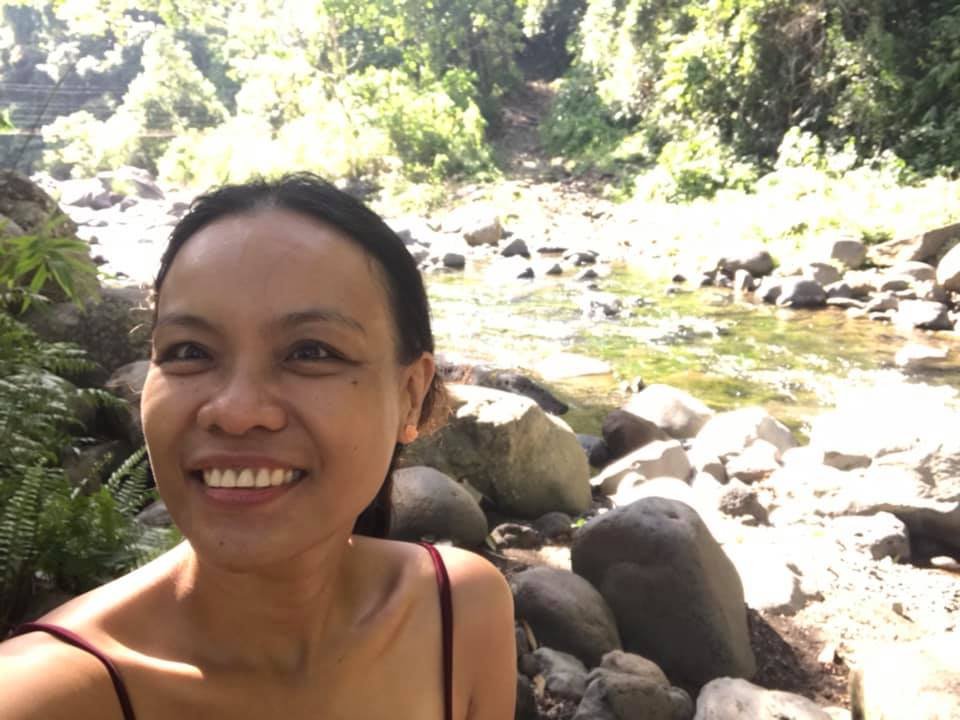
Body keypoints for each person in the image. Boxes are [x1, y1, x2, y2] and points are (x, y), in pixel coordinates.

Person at [0, 173, 516, 719]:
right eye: (189, 349)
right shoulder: (47, 696)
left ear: (410, 397)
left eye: (312, 352)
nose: (236, 412)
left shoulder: (458, 612)